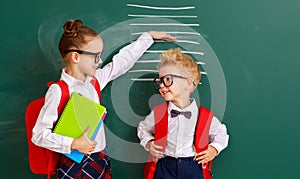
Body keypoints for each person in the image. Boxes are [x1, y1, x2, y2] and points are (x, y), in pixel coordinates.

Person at [31, 19, 176, 179]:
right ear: (76, 57)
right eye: (95, 57)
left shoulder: (94, 82)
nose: (99, 62)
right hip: (73, 163)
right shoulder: (58, 90)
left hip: (99, 158)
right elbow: (38, 135)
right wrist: (73, 143)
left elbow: (120, 63)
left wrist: (147, 37)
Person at [137, 48, 229, 179]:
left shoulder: (203, 116)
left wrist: (214, 149)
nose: (162, 86)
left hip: (193, 166)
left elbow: (221, 133)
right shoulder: (158, 113)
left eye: (167, 80)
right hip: (164, 165)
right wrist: (149, 143)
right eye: (159, 81)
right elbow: (143, 128)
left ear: (188, 82)